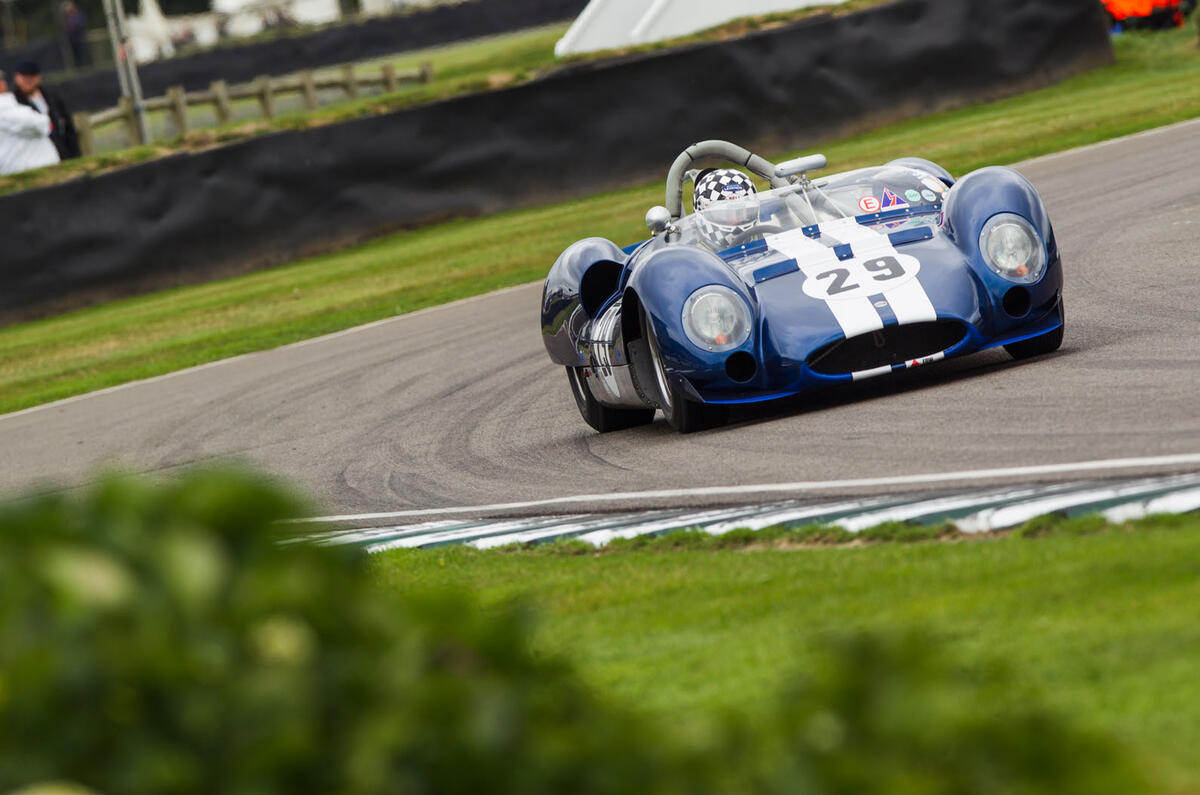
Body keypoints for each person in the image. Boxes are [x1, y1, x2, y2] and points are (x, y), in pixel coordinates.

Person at [12, 60, 81, 160]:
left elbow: (68, 128)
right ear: (17, 78)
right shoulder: (14, 103)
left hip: (63, 154)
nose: (28, 81)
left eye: (31, 77)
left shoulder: (52, 98)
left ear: (38, 77)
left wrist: (75, 154)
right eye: (24, 78)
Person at [0, 69, 60, 175]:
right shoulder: (5, 109)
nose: (3, 83)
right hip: (31, 175)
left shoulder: (10, 107)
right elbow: (41, 124)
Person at [692, 168, 761, 249]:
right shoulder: (692, 258)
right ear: (701, 212)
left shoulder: (770, 238)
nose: (736, 221)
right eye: (726, 215)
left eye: (741, 213)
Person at [62, 1, 90, 69]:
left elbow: (81, 25)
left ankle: (85, 67)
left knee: (82, 54)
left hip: (79, 38)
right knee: (75, 56)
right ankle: (78, 67)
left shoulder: (79, 14)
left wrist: (72, 28)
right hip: (72, 39)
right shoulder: (68, 17)